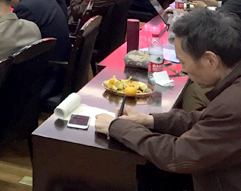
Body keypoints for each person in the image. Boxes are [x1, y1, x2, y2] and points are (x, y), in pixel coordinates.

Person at [95, 10, 241, 191]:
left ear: (211, 61)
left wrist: (116, 127)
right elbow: (208, 121)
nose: (183, 70)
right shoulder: (231, 91)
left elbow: (178, 156)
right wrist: (150, 120)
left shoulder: (232, 104)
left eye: (183, 62)